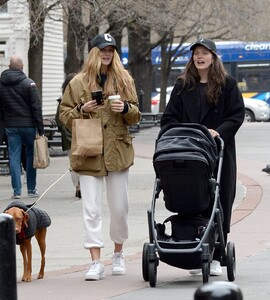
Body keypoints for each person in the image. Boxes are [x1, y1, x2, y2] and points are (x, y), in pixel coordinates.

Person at [160, 38, 245, 276]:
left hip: (218, 151)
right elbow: (169, 118)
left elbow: (236, 115)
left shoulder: (227, 84)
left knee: (220, 199)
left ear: (213, 57)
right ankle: (193, 251)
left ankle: (217, 254)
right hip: (188, 151)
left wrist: (219, 132)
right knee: (193, 196)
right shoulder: (182, 85)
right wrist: (181, 133)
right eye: (196, 53)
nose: (200, 57)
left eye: (204, 53)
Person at [59, 33, 141, 281]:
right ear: (94, 52)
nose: (107, 54)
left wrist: (125, 109)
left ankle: (118, 253)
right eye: (102, 50)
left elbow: (136, 114)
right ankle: (95, 261)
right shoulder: (79, 82)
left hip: (117, 150)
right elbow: (63, 116)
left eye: (111, 50)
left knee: (120, 209)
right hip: (89, 151)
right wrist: (81, 110)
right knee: (91, 209)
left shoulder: (124, 79)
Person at [0, 55, 44, 199]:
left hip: (11, 125)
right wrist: (40, 127)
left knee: (14, 156)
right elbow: (36, 107)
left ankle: (16, 191)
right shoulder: (28, 83)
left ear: (9, 67)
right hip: (28, 125)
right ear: (22, 67)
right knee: (31, 155)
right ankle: (31, 189)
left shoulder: (1, 84)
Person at [55, 73, 81, 198]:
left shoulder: (62, 101)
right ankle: (81, 186)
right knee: (82, 162)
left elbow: (58, 120)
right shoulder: (82, 99)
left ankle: (78, 186)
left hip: (69, 138)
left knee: (73, 163)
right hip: (81, 136)